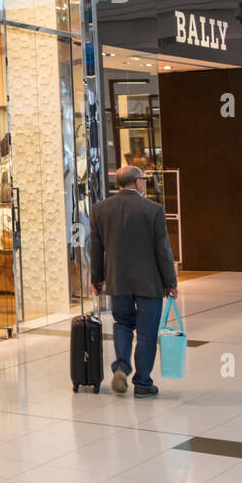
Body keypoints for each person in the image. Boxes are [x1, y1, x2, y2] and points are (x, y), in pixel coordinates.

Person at [89, 165, 177, 397]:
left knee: (123, 324)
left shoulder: (100, 210)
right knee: (147, 332)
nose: (145, 183)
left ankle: (120, 366)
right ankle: (143, 382)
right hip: (149, 283)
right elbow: (163, 251)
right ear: (137, 182)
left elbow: (96, 250)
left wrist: (96, 279)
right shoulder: (154, 210)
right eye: (144, 180)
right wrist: (171, 282)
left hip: (118, 281)